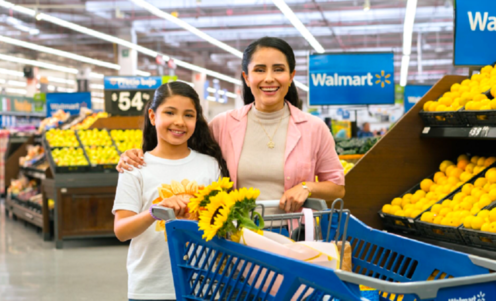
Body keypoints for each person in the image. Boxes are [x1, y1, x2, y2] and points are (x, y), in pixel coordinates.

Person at [117, 37, 345, 214]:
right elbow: (182, 155)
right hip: (236, 238)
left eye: (278, 69)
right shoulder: (222, 125)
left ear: (291, 75)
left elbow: (337, 187)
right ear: (247, 78)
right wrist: (134, 156)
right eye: (259, 70)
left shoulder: (314, 128)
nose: (269, 78)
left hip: (294, 236)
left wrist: (307, 187)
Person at [112, 81, 228, 301]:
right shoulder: (134, 167)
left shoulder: (210, 165)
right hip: (151, 287)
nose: (179, 122)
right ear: (153, 117)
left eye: (188, 115)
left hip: (203, 286)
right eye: (170, 112)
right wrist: (155, 212)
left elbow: (220, 225)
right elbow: (121, 230)